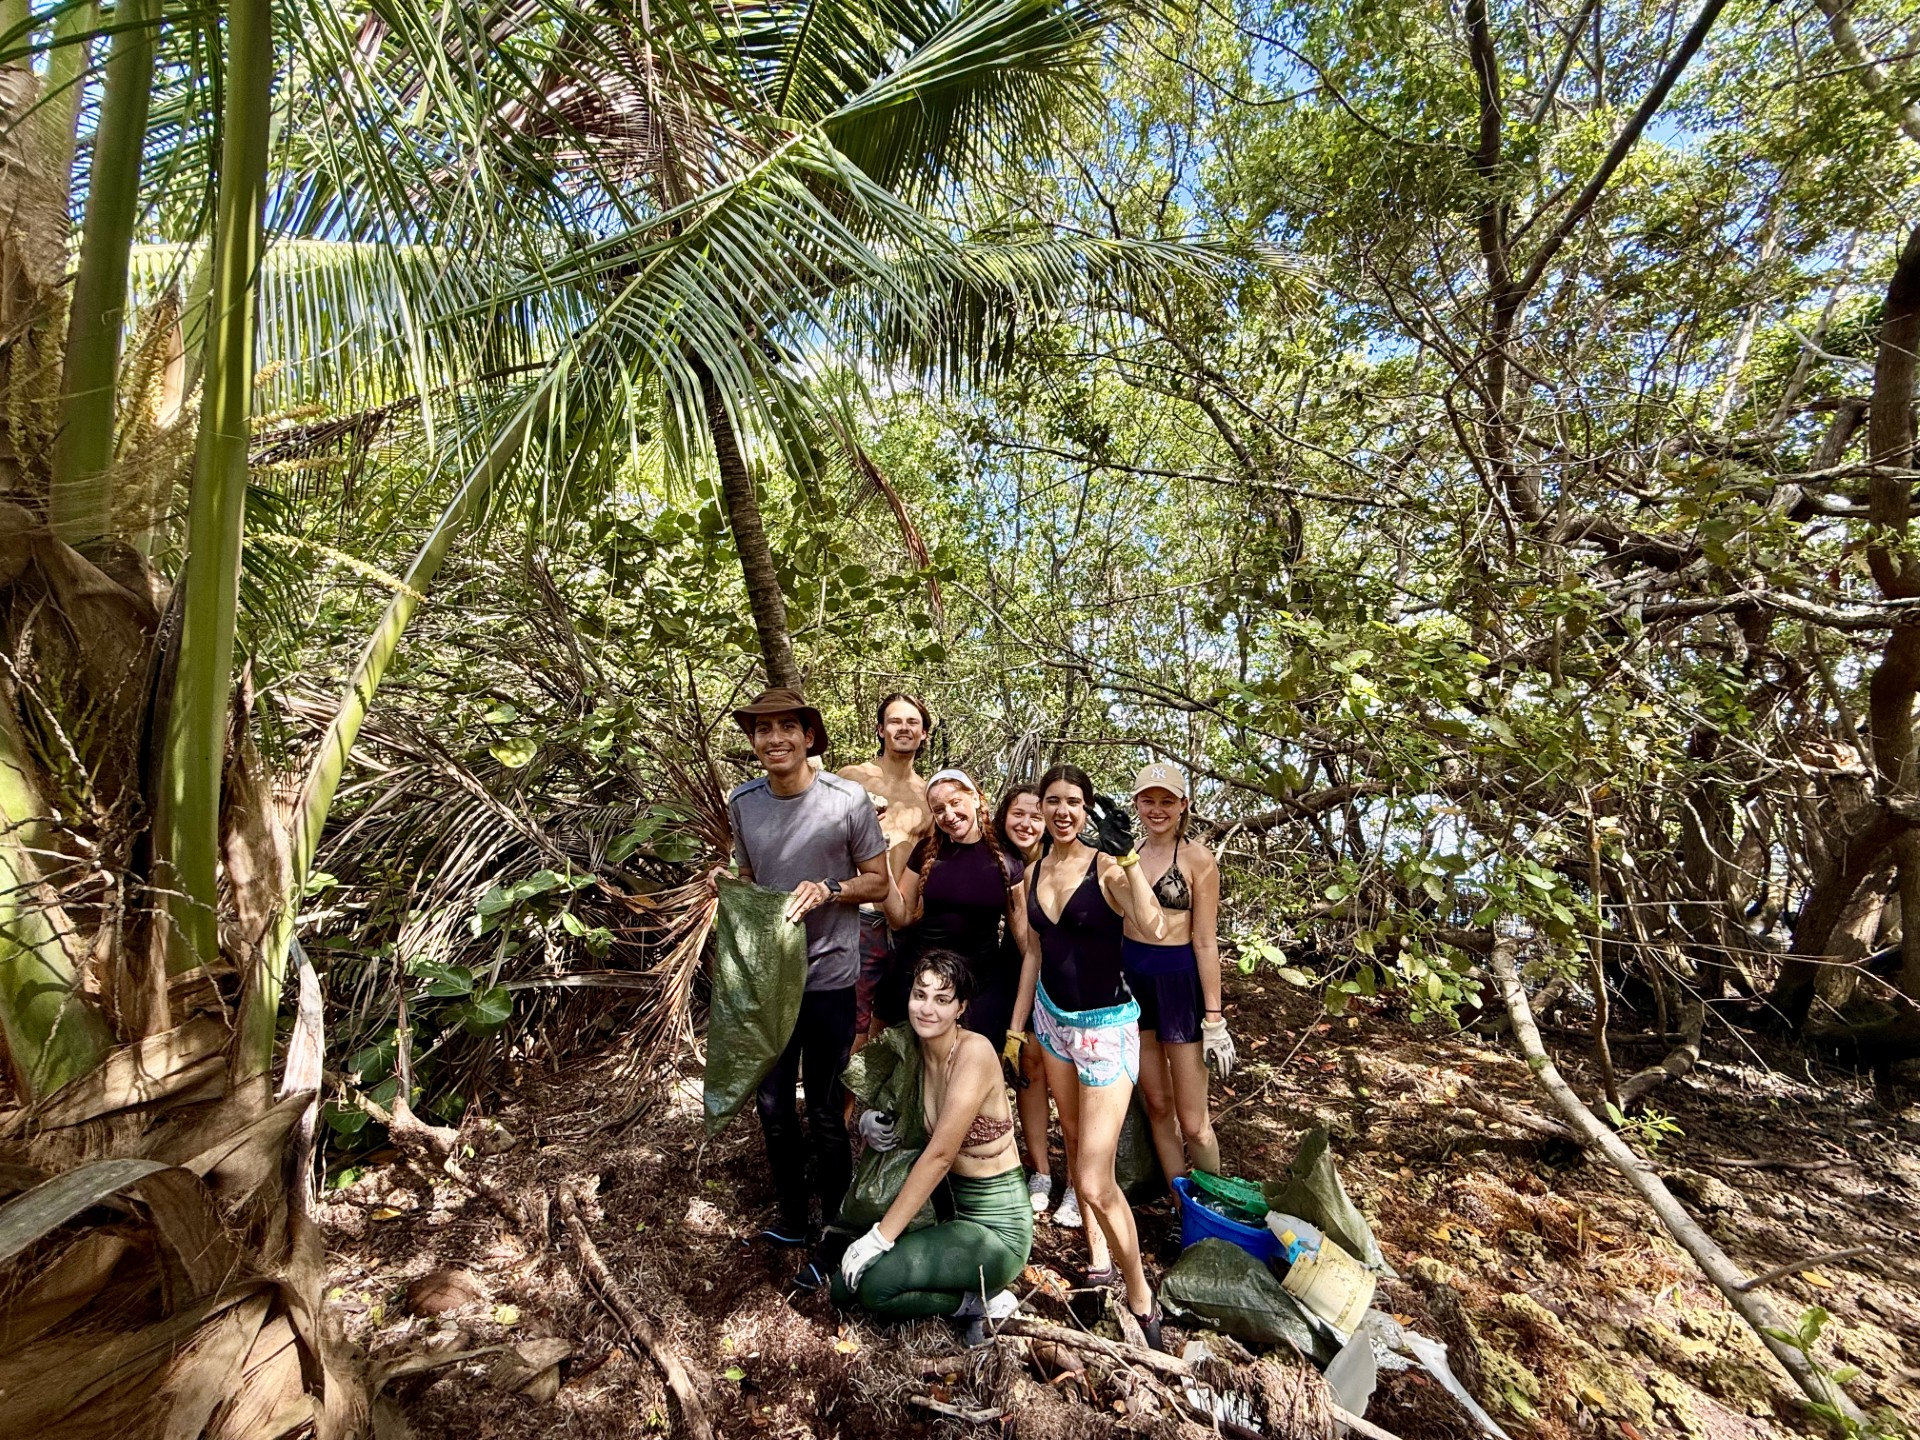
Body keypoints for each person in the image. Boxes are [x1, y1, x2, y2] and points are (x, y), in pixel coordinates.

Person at [1008, 763, 1170, 1348]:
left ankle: (1142, 1298)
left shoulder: (1105, 867)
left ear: (1088, 808)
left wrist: (1129, 861)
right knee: (1072, 1140)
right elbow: (1033, 955)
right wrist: (1014, 1030)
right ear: (1041, 807)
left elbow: (1151, 924)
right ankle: (1097, 1254)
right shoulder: (1030, 873)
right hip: (1052, 1021)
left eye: (1074, 801)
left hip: (1107, 1027)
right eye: (1053, 801)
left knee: (1098, 1181)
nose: (1062, 811)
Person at [727, 687, 889, 1259]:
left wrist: (830, 890)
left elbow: (880, 882)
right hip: (768, 982)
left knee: (823, 1105)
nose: (775, 739)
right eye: (763, 730)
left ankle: (838, 1226)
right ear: (753, 741)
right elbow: (747, 877)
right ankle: (793, 1217)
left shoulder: (847, 800)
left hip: (828, 978)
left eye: (786, 727)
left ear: (807, 736)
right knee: (771, 1105)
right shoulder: (743, 803)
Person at [834, 949, 1033, 1345]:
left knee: (874, 1288)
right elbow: (877, 1096)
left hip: (996, 1232)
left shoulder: (974, 1053)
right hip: (945, 1215)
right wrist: (867, 1121)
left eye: (942, 1000)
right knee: (842, 1290)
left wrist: (880, 1238)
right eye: (919, 994)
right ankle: (957, 1283)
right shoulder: (912, 1046)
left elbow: (940, 1156)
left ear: (961, 1008)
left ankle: (978, 1301)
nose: (927, 1009)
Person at [1124, 762, 1231, 1181]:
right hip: (1133, 983)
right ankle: (1178, 1205)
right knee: (1158, 1104)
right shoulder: (1125, 854)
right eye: (1148, 800)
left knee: (1194, 1121)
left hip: (1179, 984)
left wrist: (1214, 1019)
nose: (1157, 809)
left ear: (1183, 805)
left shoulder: (1197, 860)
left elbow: (1205, 940)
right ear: (1136, 803)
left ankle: (1215, 1204)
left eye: (1167, 801)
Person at [882, 769, 1031, 1043]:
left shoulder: (1007, 859)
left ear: (975, 798)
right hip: (922, 979)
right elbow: (900, 918)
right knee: (919, 1071)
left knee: (974, 1064)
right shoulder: (926, 851)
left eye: (955, 802)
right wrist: (879, 861)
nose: (948, 815)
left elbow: (1022, 933)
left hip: (981, 982)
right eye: (938, 810)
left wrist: (1042, 981)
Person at [837, 693, 934, 1039]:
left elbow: (932, 860)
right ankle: (838, 1094)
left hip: (904, 924)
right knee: (852, 1021)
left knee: (891, 1023)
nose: (904, 728)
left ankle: (870, 1094)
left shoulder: (929, 795)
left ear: (924, 734)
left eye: (913, 722)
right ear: (880, 729)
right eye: (895, 721)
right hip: (856, 913)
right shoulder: (852, 777)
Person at [994, 783, 1061, 1220]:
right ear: (1003, 818)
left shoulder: (1069, 860)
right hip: (1016, 972)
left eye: (1037, 815)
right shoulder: (1002, 863)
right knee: (1029, 1068)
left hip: (1068, 979)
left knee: (1069, 1082)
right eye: (1018, 814)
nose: (1027, 823)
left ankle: (1079, 1180)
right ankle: (1040, 1171)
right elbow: (1020, 939)